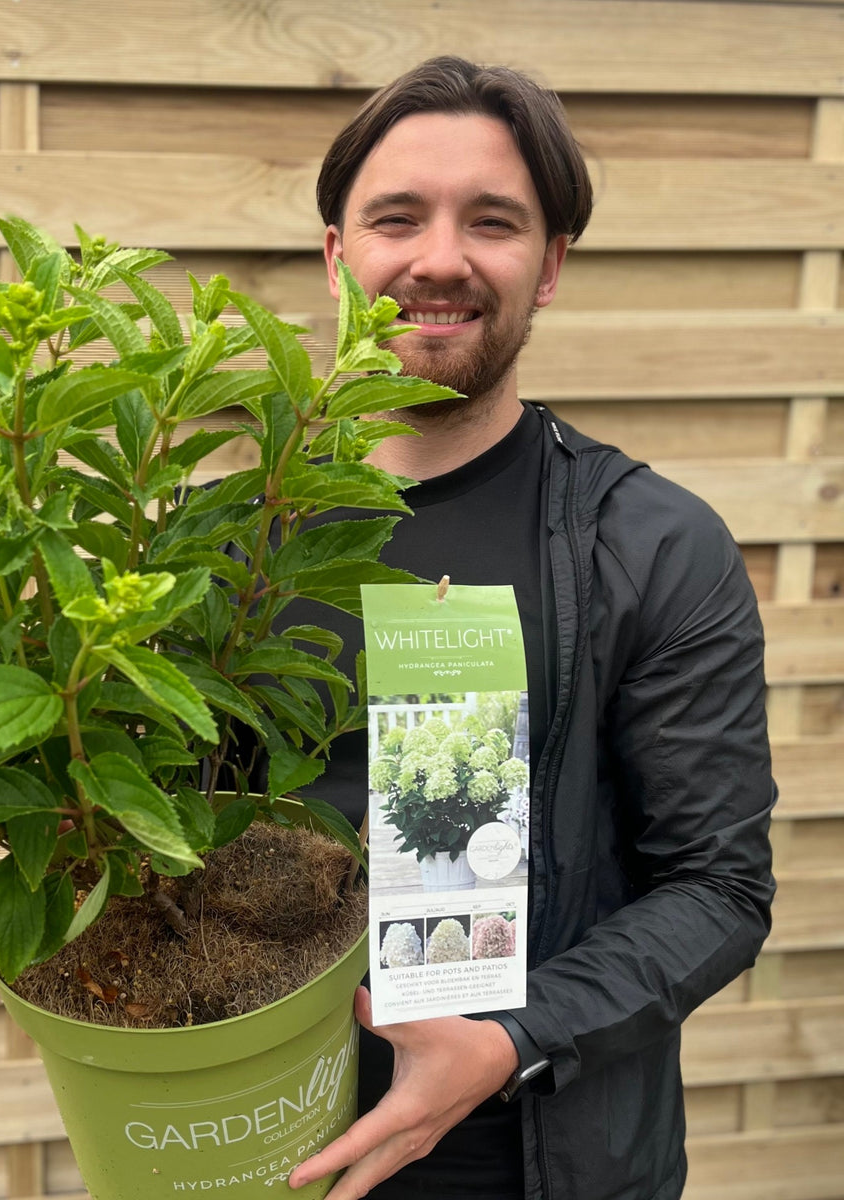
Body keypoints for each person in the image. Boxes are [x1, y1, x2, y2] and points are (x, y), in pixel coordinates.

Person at [281, 56, 776, 1200]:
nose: (440, 257)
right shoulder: (226, 548)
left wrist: (513, 1035)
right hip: (262, 1145)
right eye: (396, 217)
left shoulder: (648, 545)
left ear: (548, 266)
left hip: (548, 1161)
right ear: (337, 254)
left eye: (492, 222)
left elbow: (717, 886)